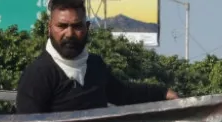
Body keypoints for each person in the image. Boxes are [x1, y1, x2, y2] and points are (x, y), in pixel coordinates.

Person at [16, 0, 178, 114]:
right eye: (62, 26)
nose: (70, 34)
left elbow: (123, 93)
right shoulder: (38, 74)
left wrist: (163, 93)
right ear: (49, 29)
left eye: (77, 26)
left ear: (87, 28)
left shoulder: (95, 65)